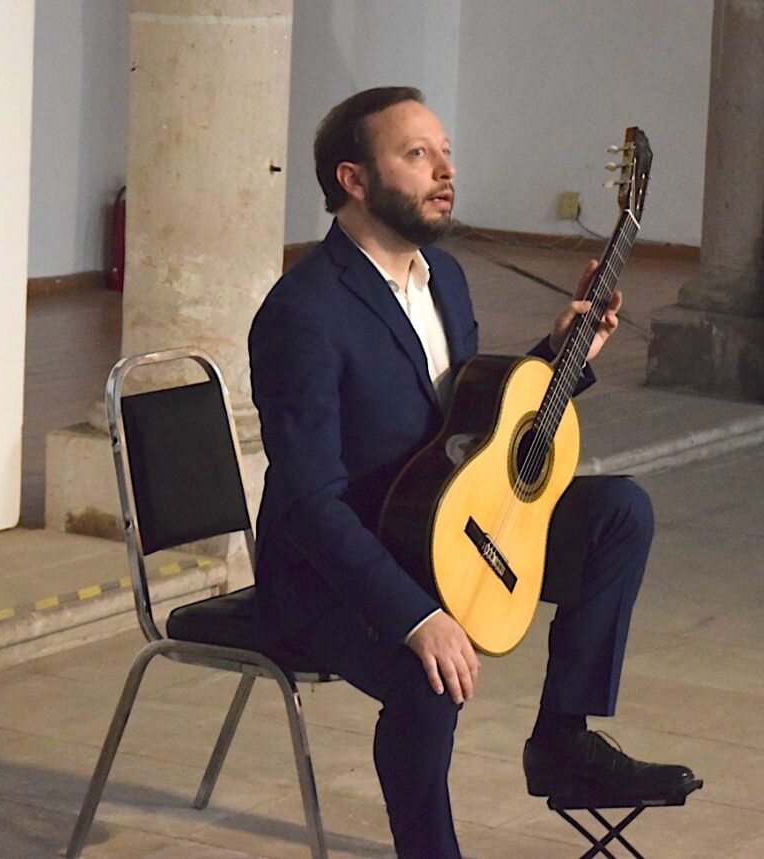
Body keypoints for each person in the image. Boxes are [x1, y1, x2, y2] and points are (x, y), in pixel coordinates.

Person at [248, 86, 697, 858]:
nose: (443, 169)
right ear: (354, 180)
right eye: (416, 155)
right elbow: (310, 501)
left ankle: (561, 739)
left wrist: (559, 356)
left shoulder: (444, 279)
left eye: (445, 151)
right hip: (332, 568)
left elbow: (465, 429)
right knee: (431, 676)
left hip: (433, 525)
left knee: (619, 511)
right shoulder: (305, 312)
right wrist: (416, 616)